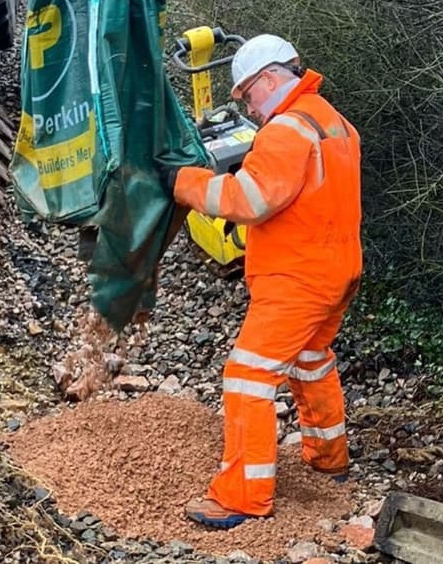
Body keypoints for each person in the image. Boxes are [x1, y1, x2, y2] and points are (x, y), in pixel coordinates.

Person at [158, 34, 363, 529]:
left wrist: (181, 183)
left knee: (247, 377)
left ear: (270, 79)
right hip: (339, 271)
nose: (248, 107)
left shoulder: (285, 132)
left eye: (247, 94)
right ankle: (327, 459)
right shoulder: (334, 123)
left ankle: (242, 497)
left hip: (296, 280)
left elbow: (248, 201)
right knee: (311, 360)